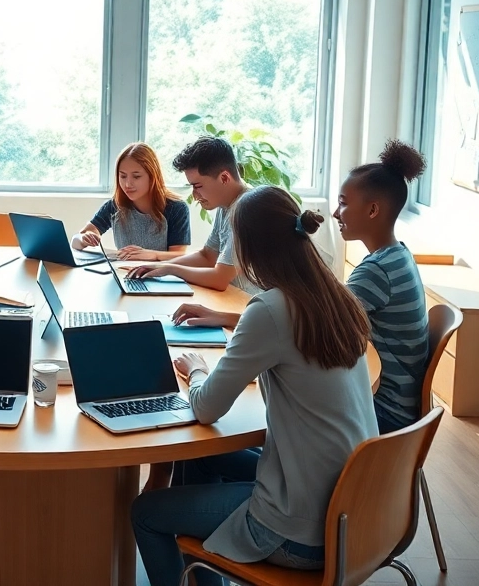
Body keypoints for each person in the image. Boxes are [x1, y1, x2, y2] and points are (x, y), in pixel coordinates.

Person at [130, 186, 377, 586]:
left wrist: (195, 370)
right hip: (350, 509)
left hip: (299, 528)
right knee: (198, 457)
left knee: (146, 512)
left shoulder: (270, 310)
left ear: (247, 248)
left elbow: (207, 408)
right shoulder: (335, 296)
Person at [334, 139, 430, 434]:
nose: (336, 213)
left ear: (373, 210)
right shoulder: (397, 255)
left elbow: (317, 319)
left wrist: (231, 319)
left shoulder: (377, 271)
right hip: (399, 408)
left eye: (343, 203)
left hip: (385, 413)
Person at [129, 136, 258, 303]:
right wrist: (159, 267)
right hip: (236, 301)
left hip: (253, 309)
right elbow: (207, 256)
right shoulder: (226, 204)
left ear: (224, 178)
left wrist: (170, 269)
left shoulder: (247, 209)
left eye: (197, 186)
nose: (194, 195)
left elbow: (219, 279)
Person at [71, 142, 191, 261]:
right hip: (123, 273)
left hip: (160, 277)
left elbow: (179, 255)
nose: (128, 184)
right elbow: (75, 242)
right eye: (123, 176)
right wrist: (84, 239)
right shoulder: (114, 206)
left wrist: (151, 255)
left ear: (152, 176)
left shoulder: (176, 208)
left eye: (136, 176)